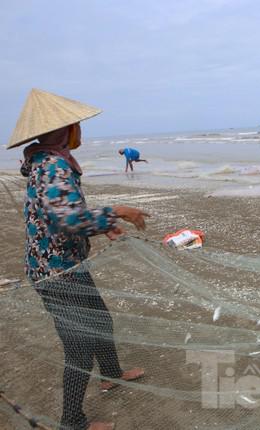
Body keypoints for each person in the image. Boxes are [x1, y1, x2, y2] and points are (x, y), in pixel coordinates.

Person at [7, 89, 150, 430]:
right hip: (56, 274)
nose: (80, 131)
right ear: (66, 131)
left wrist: (103, 227)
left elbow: (60, 215)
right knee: (79, 349)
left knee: (100, 320)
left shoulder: (47, 161)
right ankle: (73, 422)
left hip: (65, 265)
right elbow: (65, 219)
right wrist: (117, 212)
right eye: (77, 125)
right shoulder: (54, 165)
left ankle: (111, 375)